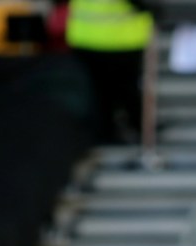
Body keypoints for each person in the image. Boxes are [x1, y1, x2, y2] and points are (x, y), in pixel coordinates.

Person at [65, 0, 155, 144]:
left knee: (100, 91)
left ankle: (107, 130)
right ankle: (135, 127)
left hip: (86, 36)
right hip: (123, 39)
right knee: (124, 89)